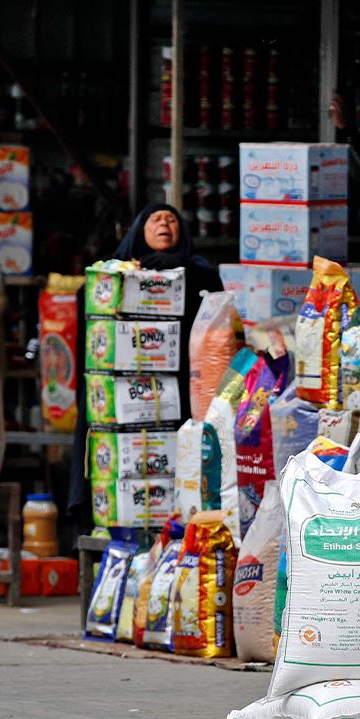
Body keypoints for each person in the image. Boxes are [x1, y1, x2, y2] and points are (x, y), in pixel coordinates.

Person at [67, 203, 222, 524]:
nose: (165, 224)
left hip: (179, 386)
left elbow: (214, 300)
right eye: (156, 219)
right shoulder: (118, 270)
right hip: (121, 388)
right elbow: (91, 299)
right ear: (139, 230)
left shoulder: (198, 271)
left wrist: (178, 268)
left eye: (172, 220)